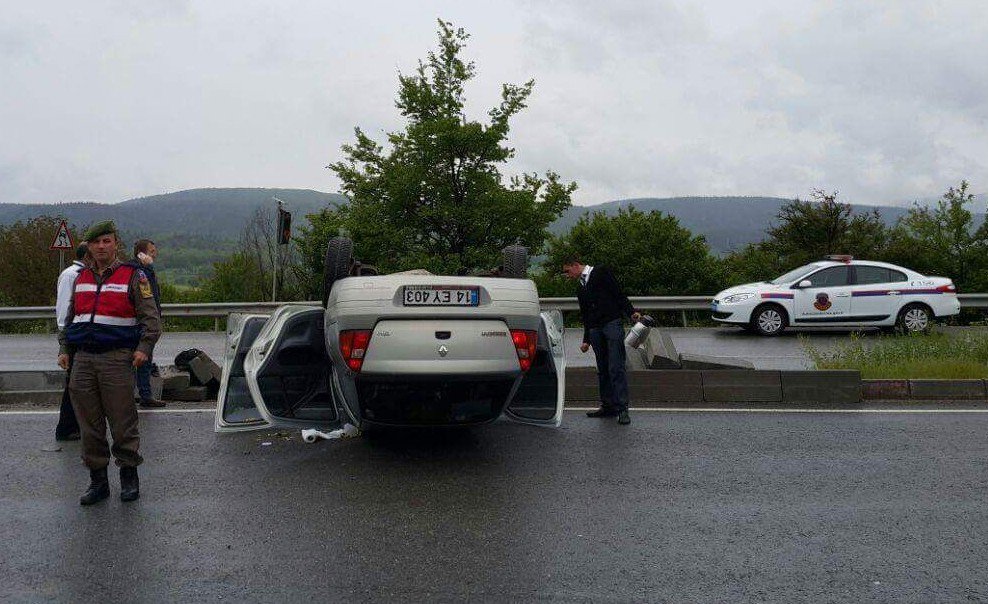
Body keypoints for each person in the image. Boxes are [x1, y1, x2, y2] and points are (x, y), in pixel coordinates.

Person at [57, 221, 161, 505]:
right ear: (89, 247)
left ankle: (129, 476)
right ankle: (98, 481)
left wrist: (144, 348)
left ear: (116, 244)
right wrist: (64, 348)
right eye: (96, 242)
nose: (101, 247)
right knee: (88, 424)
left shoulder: (133, 276)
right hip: (83, 359)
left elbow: (151, 318)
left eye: (106, 241)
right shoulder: (81, 278)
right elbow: (70, 319)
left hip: (117, 358)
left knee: (122, 420)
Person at [563, 256, 640, 425]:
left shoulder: (601, 272)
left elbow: (617, 292)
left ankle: (622, 409)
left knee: (615, 366)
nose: (567, 275)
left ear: (576, 265)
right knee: (603, 368)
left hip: (611, 323)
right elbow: (585, 314)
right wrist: (586, 339)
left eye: (568, 271)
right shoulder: (581, 287)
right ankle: (608, 406)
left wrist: (630, 311)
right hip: (595, 329)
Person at [53, 242, 88, 441]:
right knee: (73, 384)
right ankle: (66, 428)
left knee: (80, 384)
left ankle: (76, 425)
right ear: (86, 256)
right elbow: (64, 308)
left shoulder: (85, 274)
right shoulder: (71, 274)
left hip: (82, 334)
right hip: (73, 334)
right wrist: (63, 343)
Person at [128, 239, 165, 408]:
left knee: (144, 359)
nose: (154, 254)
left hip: (145, 320)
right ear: (141, 253)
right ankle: (144, 394)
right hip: (139, 322)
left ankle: (144, 393)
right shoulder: (139, 271)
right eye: (151, 251)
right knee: (142, 358)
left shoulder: (144, 270)